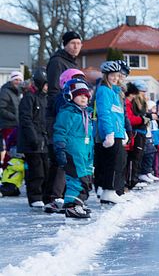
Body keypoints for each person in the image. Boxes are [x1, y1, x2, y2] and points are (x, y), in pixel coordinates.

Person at [43, 68, 86, 213]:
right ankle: (55, 197)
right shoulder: (64, 99)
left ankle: (64, 197)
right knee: (62, 168)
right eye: (76, 79)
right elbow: (62, 123)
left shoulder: (79, 103)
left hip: (73, 142)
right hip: (62, 140)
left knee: (68, 170)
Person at [53, 78, 94, 219]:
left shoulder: (86, 114)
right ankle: (71, 206)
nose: (83, 97)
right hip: (72, 152)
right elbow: (60, 131)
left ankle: (79, 203)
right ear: (70, 96)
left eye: (86, 95)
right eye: (79, 95)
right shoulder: (67, 113)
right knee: (76, 179)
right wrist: (60, 148)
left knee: (87, 179)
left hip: (85, 153)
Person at [93, 61, 127, 204]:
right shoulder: (104, 91)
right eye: (111, 75)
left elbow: (119, 114)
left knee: (119, 161)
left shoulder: (115, 92)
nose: (114, 78)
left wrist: (123, 131)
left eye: (117, 75)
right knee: (114, 163)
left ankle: (109, 191)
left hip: (118, 131)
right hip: (111, 132)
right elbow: (105, 113)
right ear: (106, 75)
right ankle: (109, 190)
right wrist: (109, 133)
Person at [16, 69, 48, 208]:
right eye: (46, 84)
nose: (48, 87)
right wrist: (33, 138)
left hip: (43, 140)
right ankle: (35, 197)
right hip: (32, 142)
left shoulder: (44, 98)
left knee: (46, 169)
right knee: (36, 171)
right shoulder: (29, 98)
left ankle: (44, 195)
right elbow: (26, 120)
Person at [125, 81, 150, 188]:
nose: (144, 94)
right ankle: (132, 180)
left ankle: (135, 178)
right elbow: (131, 119)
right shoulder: (133, 103)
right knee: (134, 157)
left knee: (138, 157)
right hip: (136, 132)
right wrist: (142, 119)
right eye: (142, 91)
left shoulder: (142, 103)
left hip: (142, 132)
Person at [0, 70, 23, 167]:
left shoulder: (17, 93)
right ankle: (6, 168)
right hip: (8, 125)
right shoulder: (6, 92)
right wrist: (14, 117)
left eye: (19, 80)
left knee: (14, 148)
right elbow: (1, 108)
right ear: (11, 80)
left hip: (15, 124)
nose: (17, 82)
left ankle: (11, 168)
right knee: (10, 148)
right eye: (15, 79)